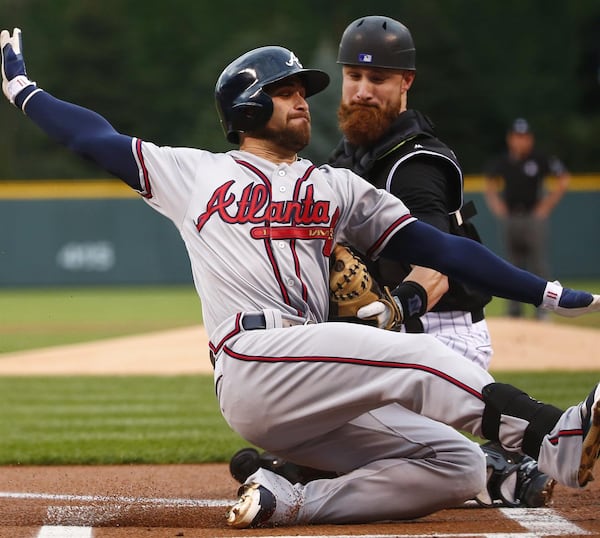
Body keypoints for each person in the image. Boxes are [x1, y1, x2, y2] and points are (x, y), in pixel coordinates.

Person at [2, 28, 600, 530]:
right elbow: (93, 138)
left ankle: (289, 500)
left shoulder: (335, 186)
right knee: (415, 356)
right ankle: (553, 435)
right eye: (284, 92)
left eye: (302, 92)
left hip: (315, 377)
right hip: (252, 358)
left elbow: (441, 246)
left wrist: (543, 291)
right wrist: (23, 89)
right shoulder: (194, 174)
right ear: (245, 108)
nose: (302, 101)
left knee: (458, 467)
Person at [229, 15, 552, 509]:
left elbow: (436, 268)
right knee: (324, 418)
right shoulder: (346, 159)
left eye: (377, 78)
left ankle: (500, 472)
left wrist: (399, 304)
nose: (361, 90)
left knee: (372, 436)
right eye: (354, 77)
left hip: (438, 334)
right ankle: (306, 466)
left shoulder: (414, 163)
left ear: (406, 83)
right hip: (397, 331)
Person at [484, 118, 570, 320]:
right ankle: (514, 311)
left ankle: (544, 311)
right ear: (510, 139)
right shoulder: (503, 161)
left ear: (530, 139)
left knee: (538, 264)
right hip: (512, 217)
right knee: (512, 265)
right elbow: (489, 181)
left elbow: (563, 178)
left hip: (533, 217)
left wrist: (546, 205)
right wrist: (497, 205)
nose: (521, 141)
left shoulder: (539, 159)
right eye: (517, 137)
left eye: (524, 137)